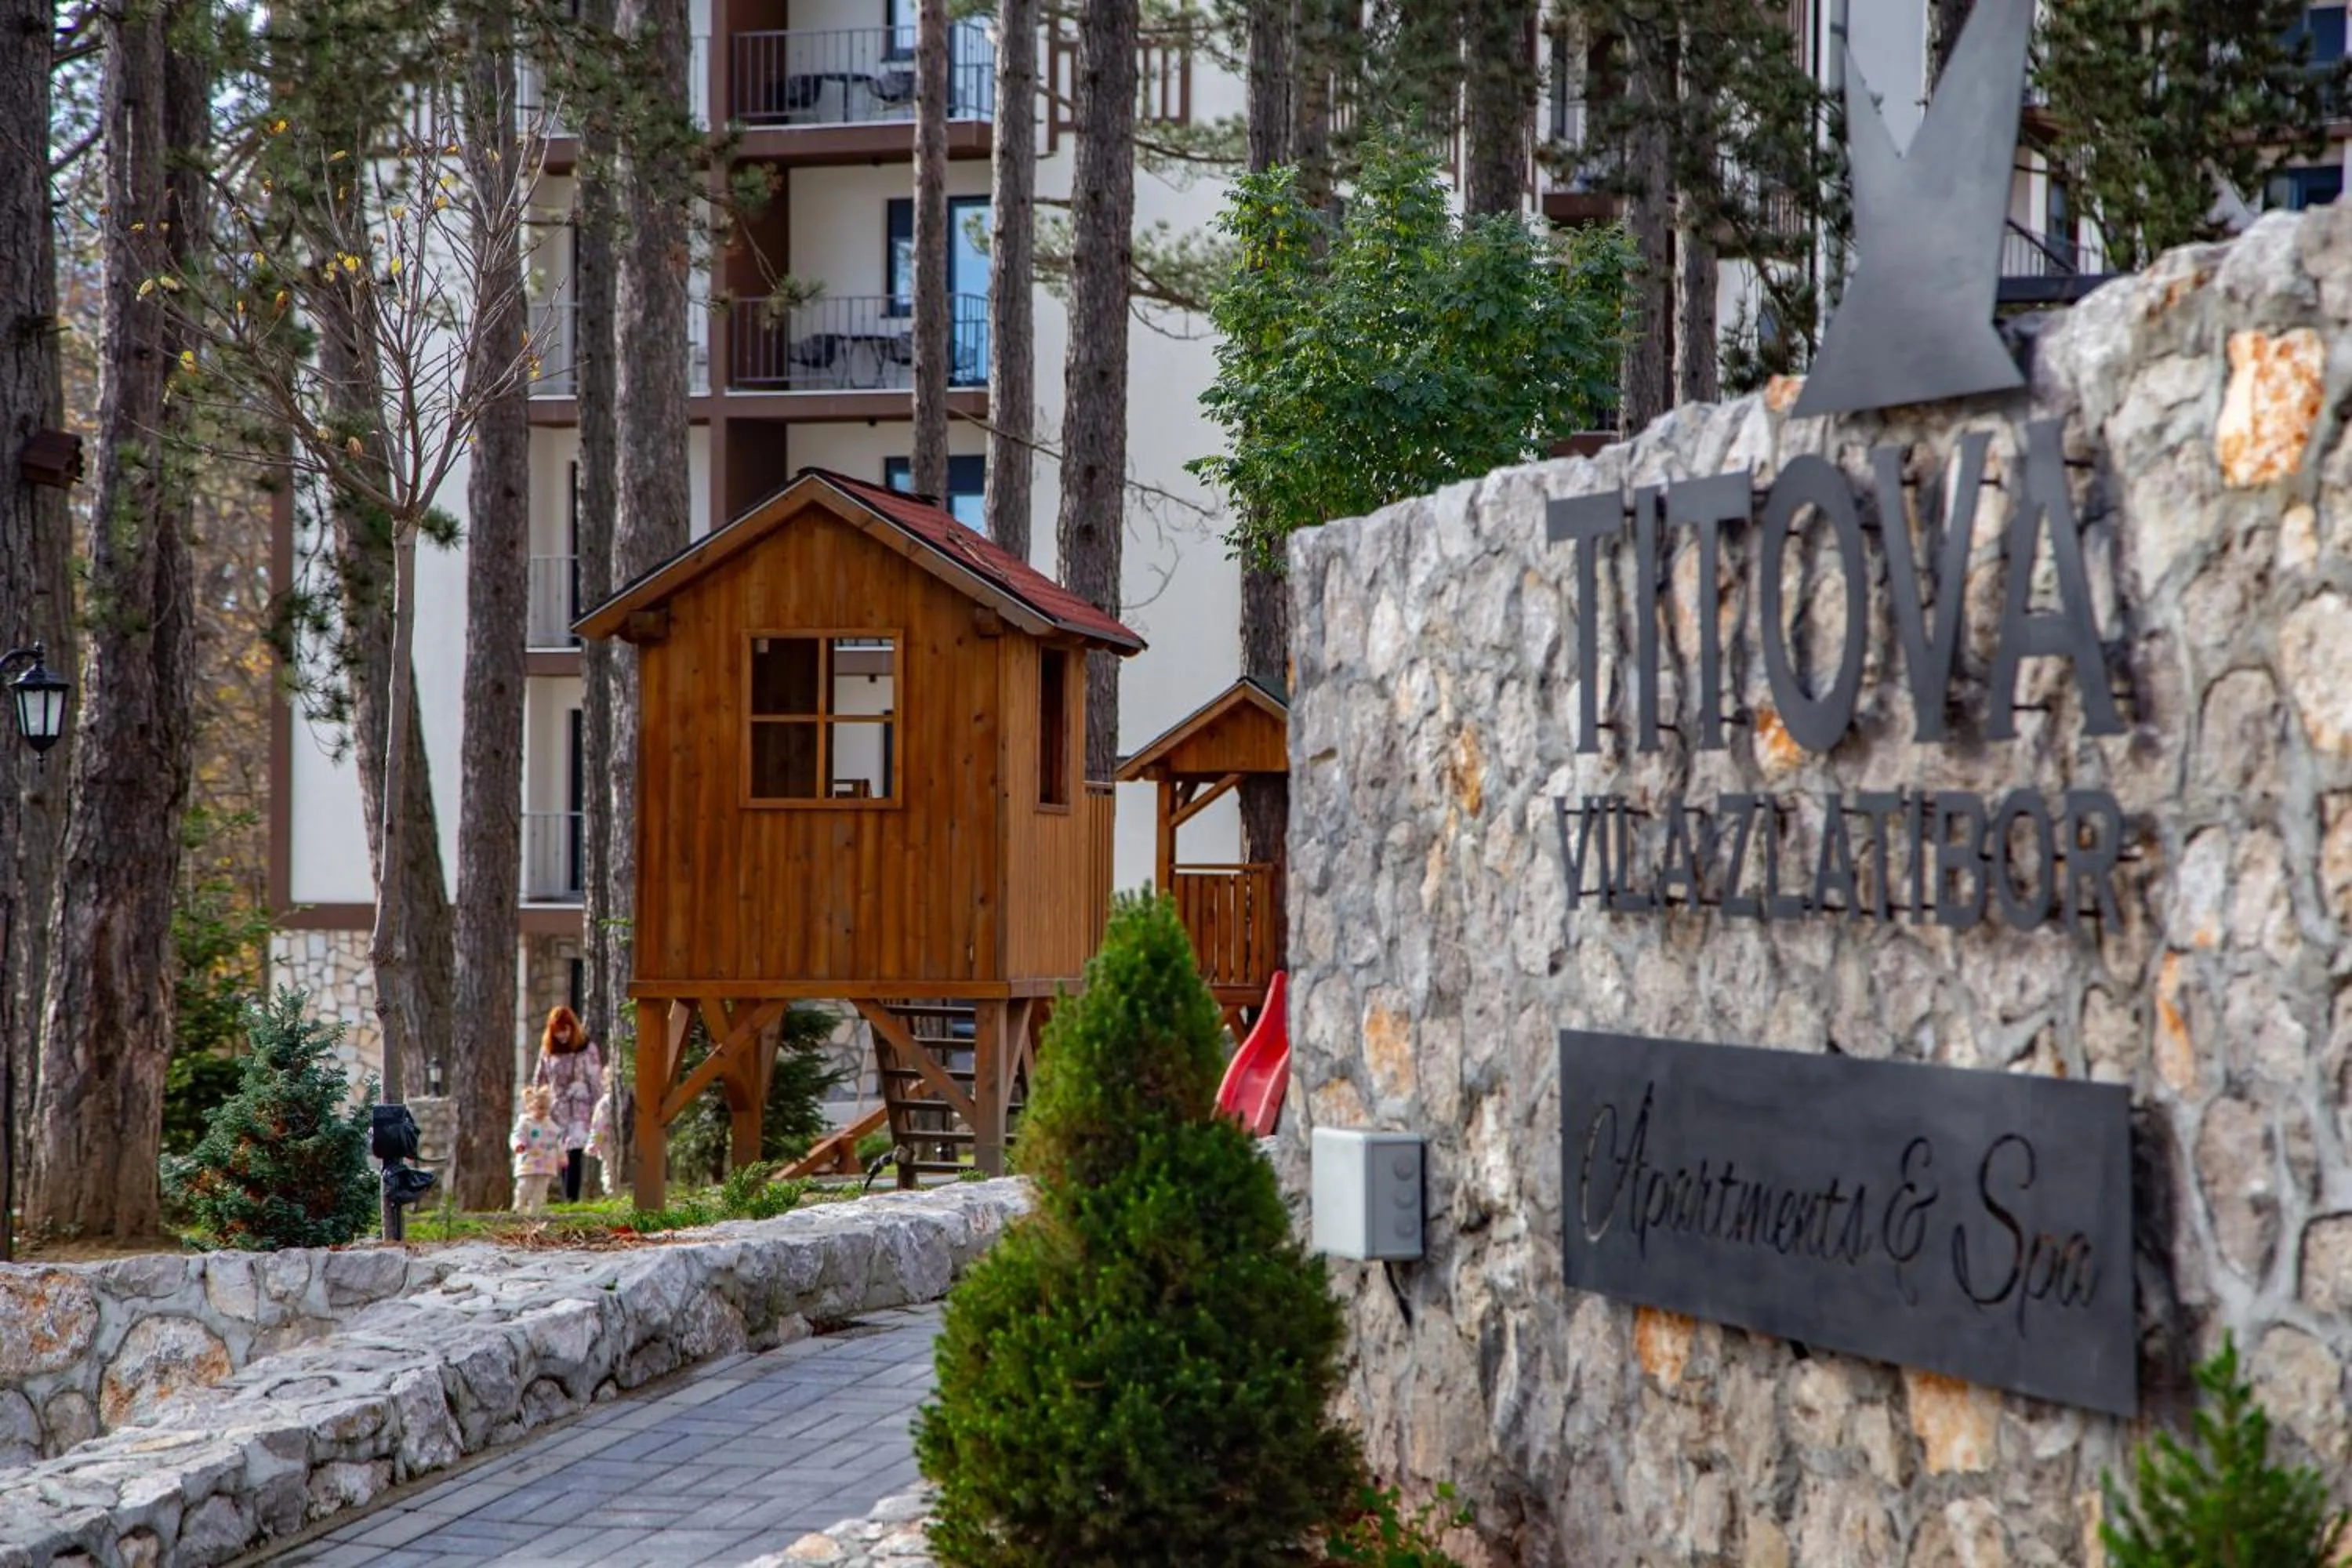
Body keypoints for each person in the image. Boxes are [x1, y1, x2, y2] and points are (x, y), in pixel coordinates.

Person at [532, 1005, 604, 1203]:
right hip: (557, 1108)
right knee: (560, 1152)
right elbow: (540, 1078)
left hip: (580, 1107)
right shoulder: (548, 1050)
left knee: (574, 1151)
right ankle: (562, 1195)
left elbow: (596, 1080)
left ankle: (572, 1197)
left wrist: (599, 1108)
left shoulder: (586, 1048)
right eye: (557, 1031)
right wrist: (537, 1103)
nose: (562, 1036)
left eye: (565, 1030)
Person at [510, 1085, 564, 1214]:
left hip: (546, 1163)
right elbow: (517, 1135)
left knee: (541, 1189)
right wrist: (518, 1145)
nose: (543, 1112)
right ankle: (519, 1206)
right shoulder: (525, 1123)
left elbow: (558, 1141)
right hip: (528, 1162)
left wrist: (562, 1155)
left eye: (546, 1108)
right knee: (525, 1186)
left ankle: (536, 1211)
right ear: (530, 1107)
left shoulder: (551, 1126)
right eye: (540, 1108)